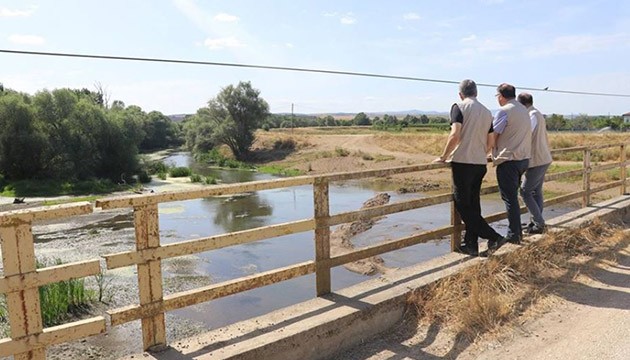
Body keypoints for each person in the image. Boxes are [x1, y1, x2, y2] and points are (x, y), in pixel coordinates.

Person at [433, 79, 504, 256]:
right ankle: (471, 245)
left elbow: (455, 134)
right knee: (474, 204)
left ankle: (494, 236)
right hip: (480, 163)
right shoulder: (487, 112)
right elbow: (491, 141)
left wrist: (444, 157)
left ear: (460, 94)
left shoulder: (458, 107)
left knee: (462, 204)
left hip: (463, 162)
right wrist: (481, 151)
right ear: (476, 93)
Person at [492, 83, 532, 244]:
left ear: (501, 96)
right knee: (513, 197)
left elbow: (493, 135)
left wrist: (489, 151)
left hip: (509, 159)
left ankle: (514, 234)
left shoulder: (504, 111)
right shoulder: (523, 110)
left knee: (509, 198)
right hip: (523, 159)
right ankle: (517, 232)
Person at [517, 92, 552, 234]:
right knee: (536, 191)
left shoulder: (531, 116)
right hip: (543, 158)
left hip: (536, 159)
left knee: (525, 191)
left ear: (521, 104)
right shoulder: (537, 113)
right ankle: (536, 221)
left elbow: (526, 135)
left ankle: (539, 223)